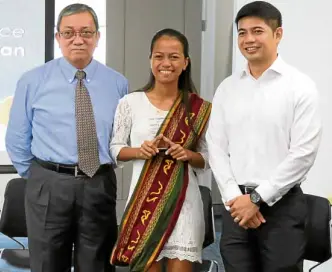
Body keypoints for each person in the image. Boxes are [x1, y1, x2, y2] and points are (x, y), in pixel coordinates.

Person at [5, 4, 128, 272]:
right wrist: (41, 178)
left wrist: (102, 170)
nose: (78, 39)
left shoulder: (118, 83)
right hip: (48, 184)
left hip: (99, 183)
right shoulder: (32, 81)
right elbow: (16, 139)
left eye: (86, 32)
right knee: (48, 263)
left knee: (96, 263)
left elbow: (121, 138)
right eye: (69, 32)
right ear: (57, 38)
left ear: (97, 37)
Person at [206, 1, 322, 272]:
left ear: (277, 34)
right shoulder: (228, 88)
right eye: (242, 32)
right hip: (235, 208)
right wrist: (236, 199)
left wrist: (257, 199)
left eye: (257, 31)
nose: (248, 39)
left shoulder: (300, 86)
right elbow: (216, 147)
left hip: (282, 208)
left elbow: (303, 154)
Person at [109, 28, 211, 272]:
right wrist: (139, 152)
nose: (166, 63)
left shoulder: (199, 108)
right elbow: (115, 149)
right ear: (150, 60)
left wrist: (187, 154)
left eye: (174, 57)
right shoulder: (130, 103)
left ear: (185, 63)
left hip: (184, 204)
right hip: (144, 204)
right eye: (159, 56)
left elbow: (209, 158)